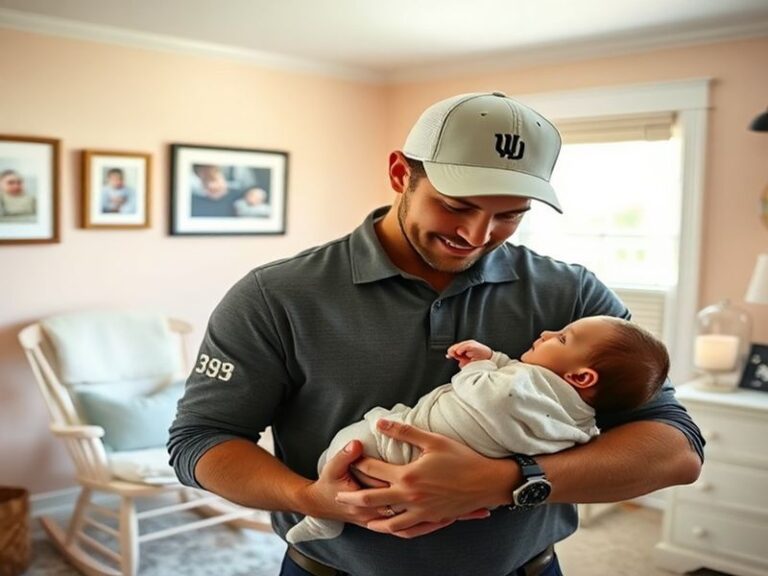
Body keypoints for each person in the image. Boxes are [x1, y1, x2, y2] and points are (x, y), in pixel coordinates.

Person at [169, 91, 704, 576]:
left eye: (509, 216)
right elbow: (201, 441)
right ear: (401, 173)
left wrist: (506, 481)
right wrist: (313, 499)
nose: (477, 235)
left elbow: (676, 451)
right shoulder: (276, 295)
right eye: (456, 206)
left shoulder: (574, 298)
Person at [286, 315, 669, 544]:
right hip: (454, 493)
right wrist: (496, 359)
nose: (548, 333)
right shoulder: (579, 421)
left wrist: (478, 366)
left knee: (342, 448)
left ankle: (326, 516)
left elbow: (490, 395)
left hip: (394, 446)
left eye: (562, 338)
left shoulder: (521, 387)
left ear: (581, 375)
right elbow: (516, 384)